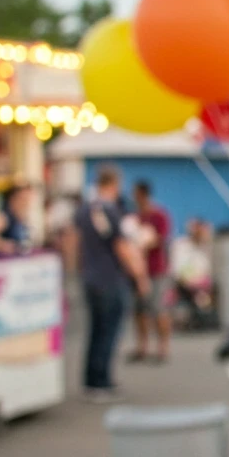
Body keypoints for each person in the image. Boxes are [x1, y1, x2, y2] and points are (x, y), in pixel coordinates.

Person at [75, 166, 150, 402]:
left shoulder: (85, 209)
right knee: (109, 330)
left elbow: (75, 242)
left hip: (90, 277)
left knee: (95, 330)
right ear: (115, 183)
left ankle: (91, 378)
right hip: (110, 279)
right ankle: (101, 380)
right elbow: (121, 247)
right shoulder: (110, 209)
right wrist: (140, 276)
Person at [127, 181, 173, 364]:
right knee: (140, 310)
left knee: (159, 309)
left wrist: (144, 243)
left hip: (156, 270)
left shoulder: (159, 216)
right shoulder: (134, 217)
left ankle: (163, 347)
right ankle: (142, 347)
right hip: (138, 271)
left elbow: (161, 239)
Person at [0, 183, 35, 254]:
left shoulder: (20, 220)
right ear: (12, 199)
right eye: (23, 200)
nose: (26, 205)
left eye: (29, 201)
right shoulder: (2, 218)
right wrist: (0, 245)